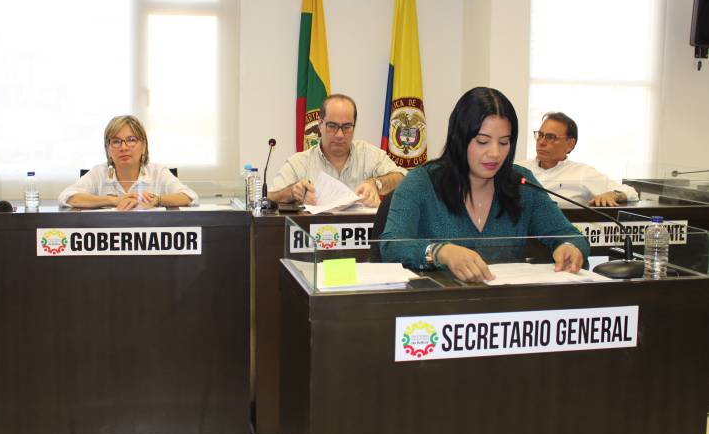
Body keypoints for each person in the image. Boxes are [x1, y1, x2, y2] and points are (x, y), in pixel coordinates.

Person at [380, 87, 590, 283]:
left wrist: (569, 246)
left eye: (504, 142)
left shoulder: (522, 184)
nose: (495, 153)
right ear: (459, 138)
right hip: (439, 305)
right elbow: (391, 246)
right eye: (482, 141)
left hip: (505, 305)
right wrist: (439, 252)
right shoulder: (421, 182)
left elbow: (569, 234)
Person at [268, 94, 407, 207]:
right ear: (320, 124)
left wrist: (377, 183)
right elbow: (269, 199)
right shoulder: (299, 162)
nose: (340, 135)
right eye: (332, 126)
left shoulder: (369, 154)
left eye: (346, 127)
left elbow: (404, 179)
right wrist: (292, 192)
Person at [58, 115, 198, 210]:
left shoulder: (158, 172)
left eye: (131, 140)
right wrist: (113, 200)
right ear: (108, 148)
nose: (123, 147)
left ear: (143, 145)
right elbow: (67, 197)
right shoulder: (99, 172)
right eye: (116, 141)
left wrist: (157, 200)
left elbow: (190, 197)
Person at [518, 112, 639, 207]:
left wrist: (613, 194)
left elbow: (631, 192)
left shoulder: (582, 173)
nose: (541, 142)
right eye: (540, 135)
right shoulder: (518, 169)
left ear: (570, 144)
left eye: (550, 137)